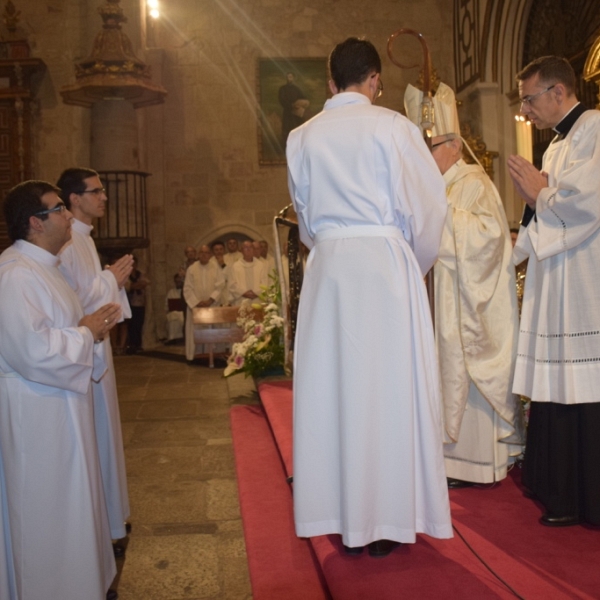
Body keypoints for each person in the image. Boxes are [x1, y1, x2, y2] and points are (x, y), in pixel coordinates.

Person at [286, 37, 452, 557]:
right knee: (387, 392)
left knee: (333, 389)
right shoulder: (395, 128)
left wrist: (333, 248)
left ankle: (340, 513)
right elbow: (428, 213)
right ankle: (386, 521)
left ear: (331, 83)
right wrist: (410, 264)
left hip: (331, 269)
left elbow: (306, 220)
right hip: (385, 267)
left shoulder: (302, 137)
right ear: (375, 80)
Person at [0, 180, 120, 599]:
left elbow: (64, 330)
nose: (69, 216)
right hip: (37, 413)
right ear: (35, 223)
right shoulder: (15, 274)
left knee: (73, 502)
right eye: (58, 210)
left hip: (61, 406)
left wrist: (89, 330)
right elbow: (31, 351)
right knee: (47, 510)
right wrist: (87, 333)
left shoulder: (44, 267)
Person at [405, 83, 522, 488]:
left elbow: (489, 239)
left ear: (453, 145)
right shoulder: (432, 188)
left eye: (430, 146)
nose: (423, 155)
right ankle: (444, 460)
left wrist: (441, 216)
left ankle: (475, 463)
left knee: (462, 374)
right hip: (437, 306)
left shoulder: (472, 181)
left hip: (465, 309)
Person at [507, 55, 600, 527]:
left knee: (586, 388)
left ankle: (586, 497)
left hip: (586, 280)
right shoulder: (554, 147)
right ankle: (556, 489)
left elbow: (589, 201)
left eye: (530, 97)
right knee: (559, 384)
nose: (526, 108)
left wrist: (541, 193)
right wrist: (514, 251)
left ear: (558, 92)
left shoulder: (597, 130)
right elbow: (540, 211)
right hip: (558, 276)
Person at [56, 167, 132, 545]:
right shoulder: (68, 242)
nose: (104, 197)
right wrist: (110, 281)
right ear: (74, 199)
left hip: (98, 350)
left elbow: (88, 291)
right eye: (96, 191)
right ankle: (105, 524)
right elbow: (73, 304)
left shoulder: (84, 239)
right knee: (97, 437)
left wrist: (107, 280)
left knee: (107, 435)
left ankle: (112, 517)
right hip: (84, 353)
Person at [183, 245, 226, 361]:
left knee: (212, 330)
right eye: (201, 252)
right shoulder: (191, 269)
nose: (204, 255)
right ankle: (194, 355)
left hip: (212, 306)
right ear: (198, 254)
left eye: (206, 253)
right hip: (196, 308)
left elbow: (220, 285)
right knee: (195, 332)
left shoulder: (215, 267)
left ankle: (213, 355)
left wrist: (211, 300)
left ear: (210, 255)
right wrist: (197, 302)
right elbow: (187, 288)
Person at [227, 240, 268, 306]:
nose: (248, 249)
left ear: (253, 250)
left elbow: (265, 282)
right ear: (242, 250)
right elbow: (232, 284)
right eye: (246, 247)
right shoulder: (235, 266)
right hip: (241, 301)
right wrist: (244, 293)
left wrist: (255, 293)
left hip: (257, 301)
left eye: (251, 247)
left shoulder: (260, 265)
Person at [278, 72, 310, 147]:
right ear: (286, 78)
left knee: (297, 128)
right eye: (288, 77)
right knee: (287, 129)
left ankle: (297, 146)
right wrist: (291, 105)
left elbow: (303, 97)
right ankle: (286, 147)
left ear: (293, 78)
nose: (290, 78)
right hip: (287, 112)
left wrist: (302, 104)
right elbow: (282, 100)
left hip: (296, 113)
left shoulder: (296, 89)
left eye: (291, 77)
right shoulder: (282, 89)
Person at [126, 256, 150, 354]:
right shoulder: (126, 275)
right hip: (130, 304)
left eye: (134, 264)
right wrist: (136, 285)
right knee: (131, 326)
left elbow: (146, 283)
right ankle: (131, 345)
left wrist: (135, 285)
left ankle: (138, 345)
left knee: (139, 325)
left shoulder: (140, 274)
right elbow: (127, 286)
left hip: (140, 303)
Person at [165, 272, 185, 343]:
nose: (178, 283)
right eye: (177, 282)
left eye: (179, 281)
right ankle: (173, 339)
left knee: (181, 317)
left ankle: (182, 338)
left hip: (183, 312)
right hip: (173, 312)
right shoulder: (171, 292)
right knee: (172, 317)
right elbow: (167, 305)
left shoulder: (185, 291)